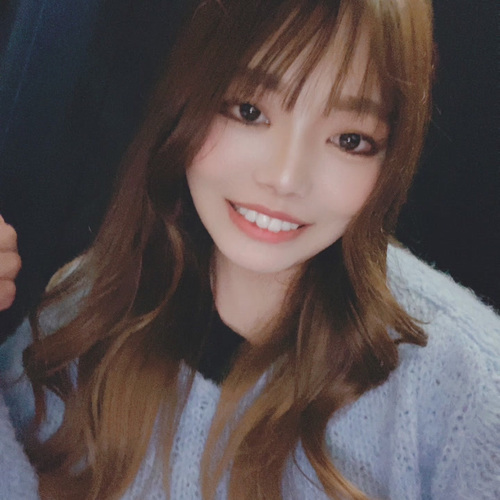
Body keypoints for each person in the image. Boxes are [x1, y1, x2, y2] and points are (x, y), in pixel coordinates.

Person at [0, 0, 498, 499]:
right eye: (250, 112)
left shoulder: (465, 387)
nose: (285, 178)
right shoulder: (85, 309)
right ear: (187, 99)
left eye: (349, 139)